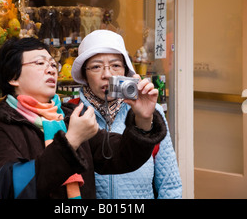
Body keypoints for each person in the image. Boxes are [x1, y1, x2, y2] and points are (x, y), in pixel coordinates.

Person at [0, 37, 167, 199]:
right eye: (40, 63)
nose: (51, 70)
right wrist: (71, 141)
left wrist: (143, 118)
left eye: (52, 64)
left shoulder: (69, 116)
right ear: (13, 77)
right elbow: (9, 187)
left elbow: (121, 157)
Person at [71, 29, 182, 199]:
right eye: (95, 67)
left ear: (126, 70)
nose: (107, 74)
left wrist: (144, 118)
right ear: (84, 75)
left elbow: (170, 185)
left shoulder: (150, 113)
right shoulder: (71, 114)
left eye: (115, 65)